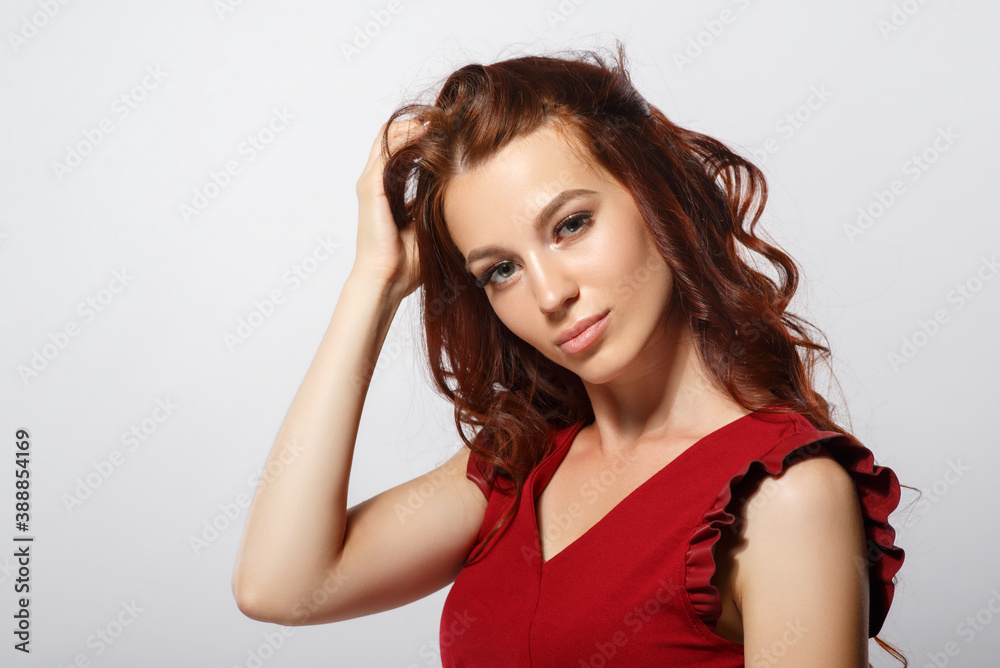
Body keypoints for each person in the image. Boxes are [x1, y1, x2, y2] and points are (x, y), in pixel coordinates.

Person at [231, 42, 908, 666]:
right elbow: (281, 585)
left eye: (572, 224)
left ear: (655, 195)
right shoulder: (520, 460)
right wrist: (374, 282)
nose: (551, 293)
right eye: (500, 270)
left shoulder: (784, 493)